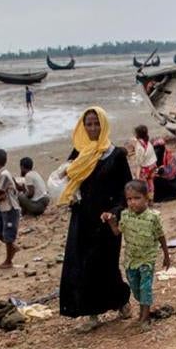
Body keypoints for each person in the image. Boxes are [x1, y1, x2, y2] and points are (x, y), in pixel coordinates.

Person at [57, 107, 134, 331]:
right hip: (82, 218)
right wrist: (69, 196)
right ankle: (91, 314)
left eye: (96, 124)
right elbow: (70, 180)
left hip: (107, 219)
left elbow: (126, 188)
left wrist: (117, 211)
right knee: (83, 264)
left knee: (106, 264)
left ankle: (121, 300)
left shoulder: (116, 154)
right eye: (88, 124)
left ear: (103, 125)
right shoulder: (78, 153)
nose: (92, 128)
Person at [102, 179, 171, 331]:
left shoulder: (153, 217)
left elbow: (161, 236)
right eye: (129, 199)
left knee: (145, 287)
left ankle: (145, 318)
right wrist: (112, 221)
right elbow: (117, 232)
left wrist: (166, 255)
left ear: (147, 198)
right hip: (131, 260)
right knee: (136, 288)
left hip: (147, 259)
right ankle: (143, 309)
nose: (133, 202)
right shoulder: (125, 216)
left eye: (137, 198)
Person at [0, 148, 20, 269]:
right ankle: (12, 247)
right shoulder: (0, 174)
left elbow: (2, 195)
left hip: (10, 208)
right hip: (2, 208)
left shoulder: (4, 175)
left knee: (8, 234)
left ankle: (8, 260)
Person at [128, 124, 158, 200]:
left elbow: (139, 163)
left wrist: (137, 176)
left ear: (137, 134)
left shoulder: (139, 145)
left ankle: (146, 200)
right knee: (150, 182)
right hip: (152, 165)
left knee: (142, 186)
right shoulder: (148, 142)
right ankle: (151, 198)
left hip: (146, 168)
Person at [152, 138, 176, 202]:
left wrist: (161, 170)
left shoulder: (170, 156)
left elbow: (170, 173)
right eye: (155, 148)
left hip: (174, 184)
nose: (156, 150)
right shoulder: (155, 159)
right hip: (166, 181)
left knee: (158, 179)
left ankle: (171, 196)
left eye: (158, 148)